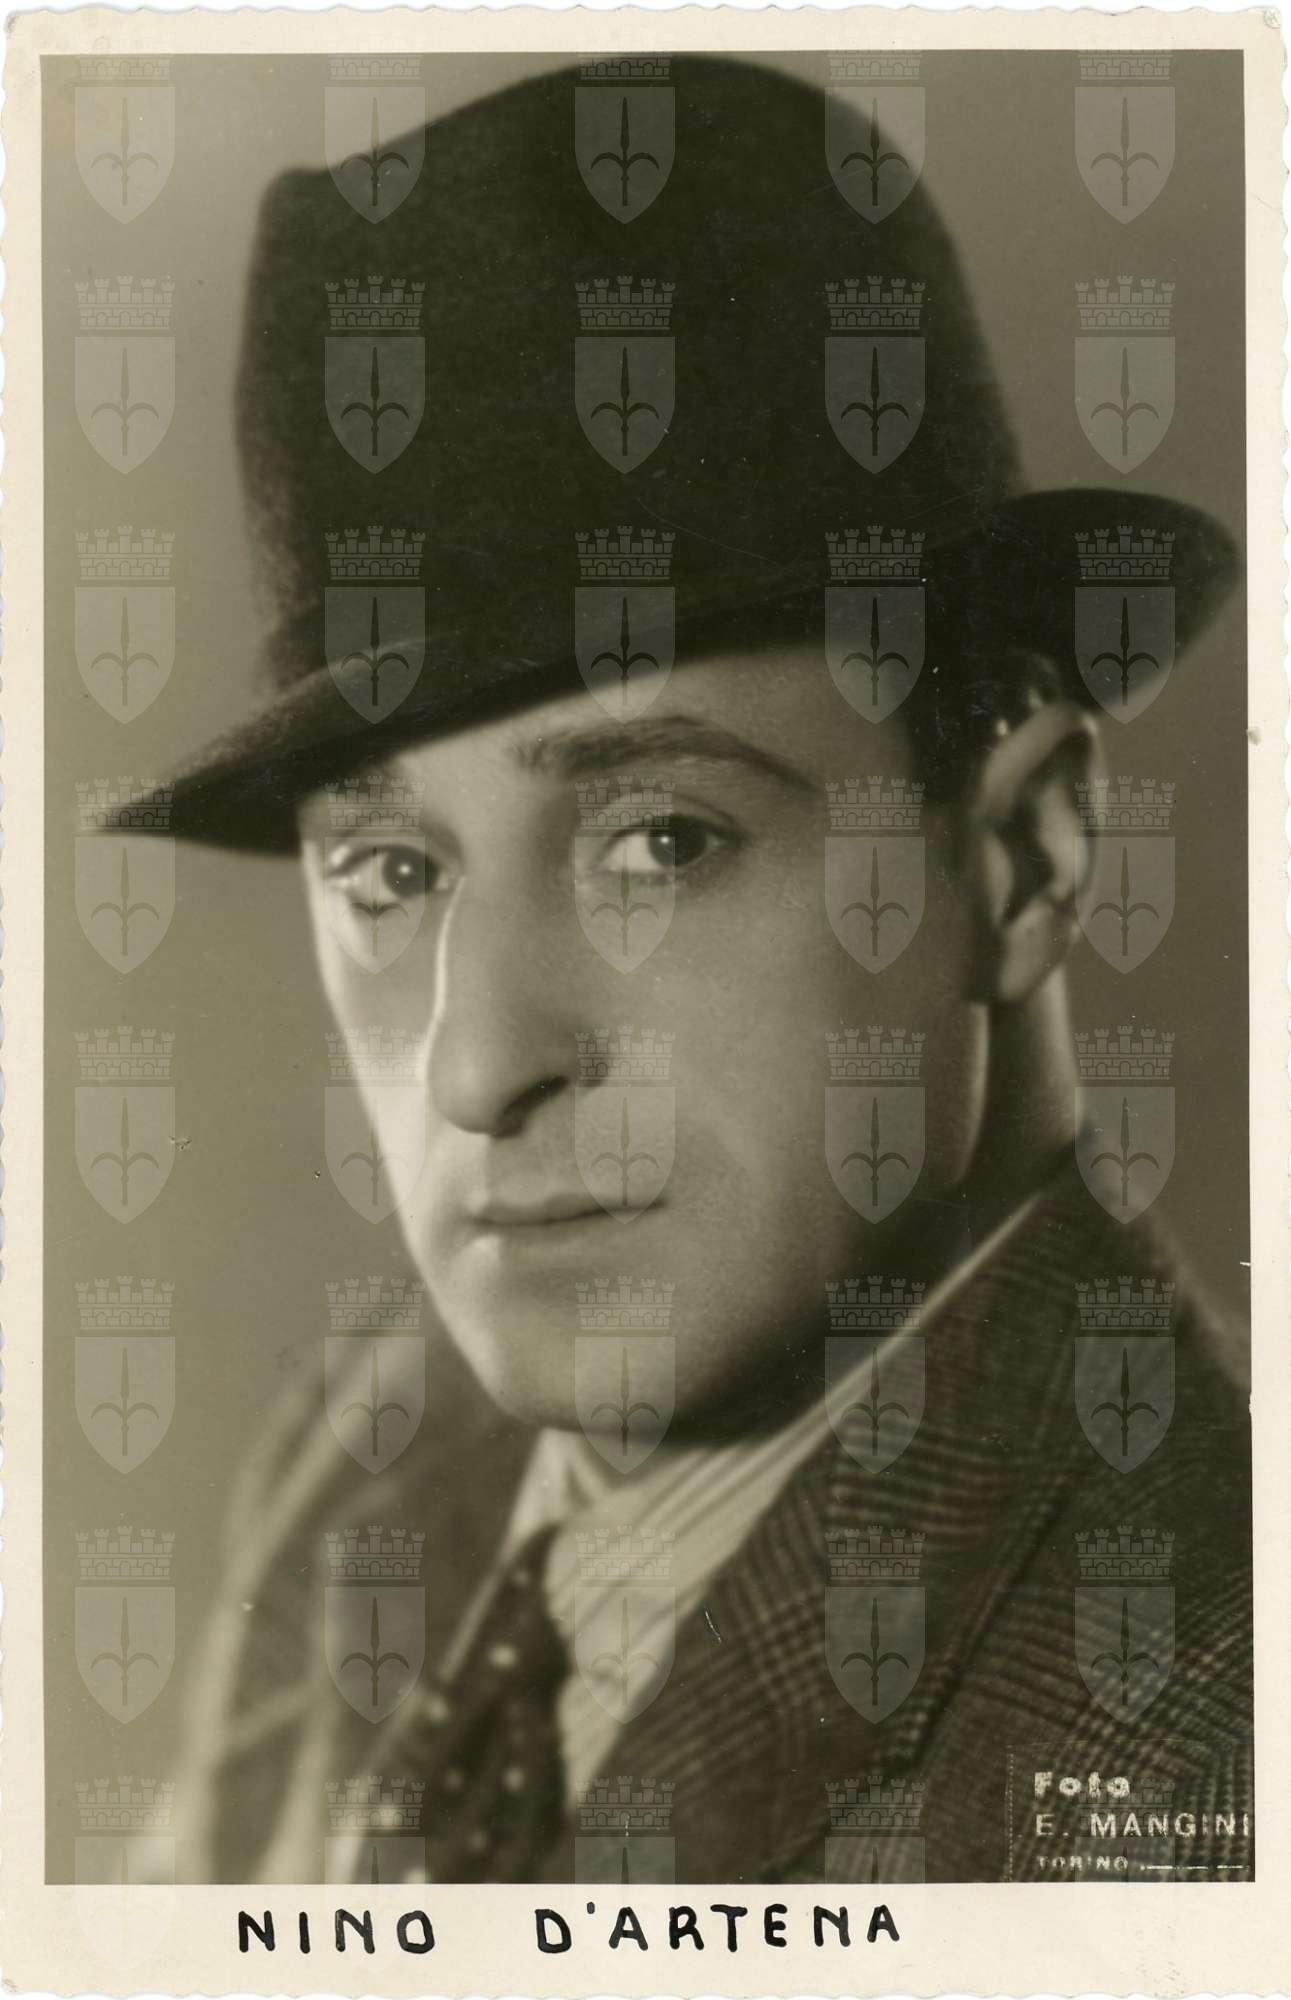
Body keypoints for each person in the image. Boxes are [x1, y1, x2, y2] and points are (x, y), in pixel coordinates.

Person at [118, 56, 1251, 1883]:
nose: (476, 1064)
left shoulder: (1213, 1735)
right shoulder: (376, 1459)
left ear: (1022, 855)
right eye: (391, 872)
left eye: (661, 842)